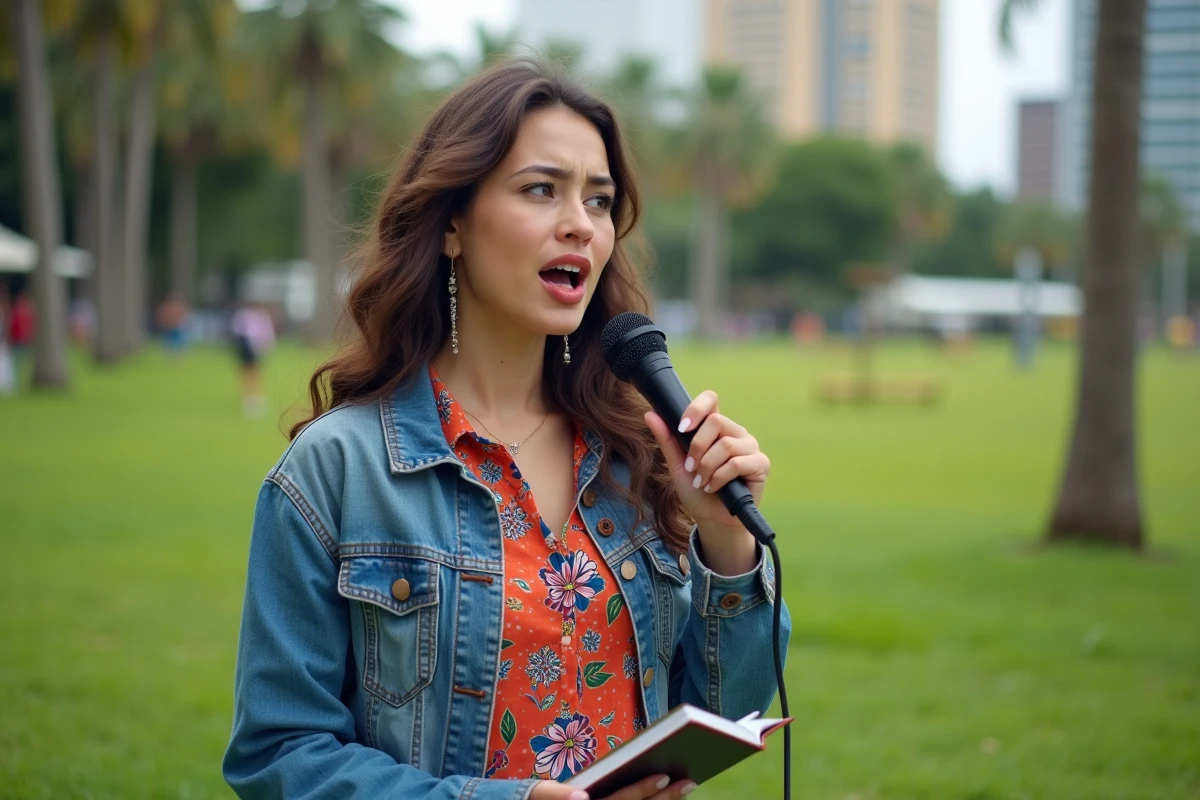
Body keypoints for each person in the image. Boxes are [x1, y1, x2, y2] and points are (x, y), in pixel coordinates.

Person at [223, 59, 790, 800]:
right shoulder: (335, 472)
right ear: (453, 225)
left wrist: (726, 537)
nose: (578, 225)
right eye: (540, 190)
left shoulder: (631, 457)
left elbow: (727, 710)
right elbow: (278, 753)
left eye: (598, 201)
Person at [229, 302, 276, 418]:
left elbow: (267, 335)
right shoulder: (245, 316)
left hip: (255, 348)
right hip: (247, 346)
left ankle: (253, 398)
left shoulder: (259, 317)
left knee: (253, 373)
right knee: (249, 372)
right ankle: (250, 399)